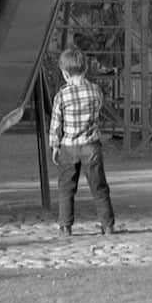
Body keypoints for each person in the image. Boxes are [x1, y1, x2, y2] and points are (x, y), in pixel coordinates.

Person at [48, 46, 117, 236]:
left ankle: (65, 226)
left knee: (66, 189)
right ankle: (107, 224)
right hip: (90, 145)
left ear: (65, 74)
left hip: (68, 146)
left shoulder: (61, 95)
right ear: (85, 69)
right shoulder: (96, 91)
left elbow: (56, 124)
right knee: (99, 186)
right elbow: (99, 110)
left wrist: (55, 146)